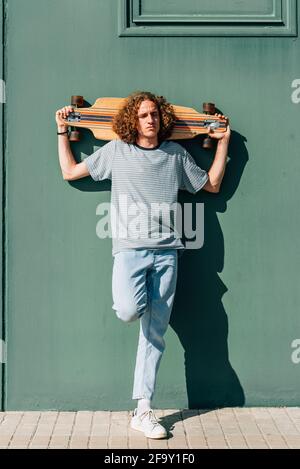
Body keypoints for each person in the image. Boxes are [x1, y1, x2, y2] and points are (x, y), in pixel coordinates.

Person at [56, 91, 230, 439]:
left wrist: (222, 142)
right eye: (143, 115)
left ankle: (143, 409)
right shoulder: (117, 152)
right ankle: (143, 401)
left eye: (154, 114)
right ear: (131, 122)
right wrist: (63, 132)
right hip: (130, 251)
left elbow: (210, 185)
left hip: (168, 253)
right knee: (127, 310)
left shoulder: (175, 155)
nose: (150, 120)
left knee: (154, 334)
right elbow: (71, 172)